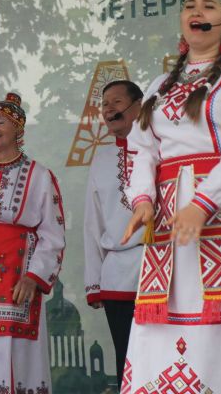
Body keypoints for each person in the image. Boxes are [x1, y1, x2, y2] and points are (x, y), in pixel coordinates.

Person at [121, 0, 221, 392]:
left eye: (209, 5)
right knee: (162, 318)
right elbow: (140, 149)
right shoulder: (159, 84)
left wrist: (202, 203)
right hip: (166, 222)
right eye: (189, 5)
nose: (196, 12)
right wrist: (143, 199)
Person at [0, 92, 65, 394]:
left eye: (1, 121)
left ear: (18, 129)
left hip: (17, 282)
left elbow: (53, 234)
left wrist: (33, 277)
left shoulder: (39, 175)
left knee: (15, 358)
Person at [83, 80, 144, 387]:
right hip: (117, 273)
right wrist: (94, 281)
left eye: (117, 102)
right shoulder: (102, 158)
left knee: (165, 354)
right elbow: (93, 223)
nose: (109, 110)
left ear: (139, 106)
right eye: (105, 105)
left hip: (159, 269)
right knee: (125, 358)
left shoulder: (160, 150)